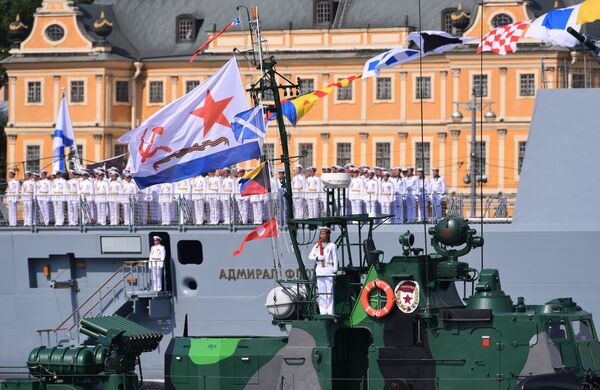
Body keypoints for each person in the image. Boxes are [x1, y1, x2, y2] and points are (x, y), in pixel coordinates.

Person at [308, 226, 338, 315]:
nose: (322, 235)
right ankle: (323, 311)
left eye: (324, 234)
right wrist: (317, 258)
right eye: (321, 233)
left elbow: (335, 259)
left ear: (328, 234)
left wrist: (335, 270)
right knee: (321, 292)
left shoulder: (332, 246)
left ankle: (330, 310)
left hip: (328, 268)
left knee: (329, 291)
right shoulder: (317, 245)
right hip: (320, 268)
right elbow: (310, 256)